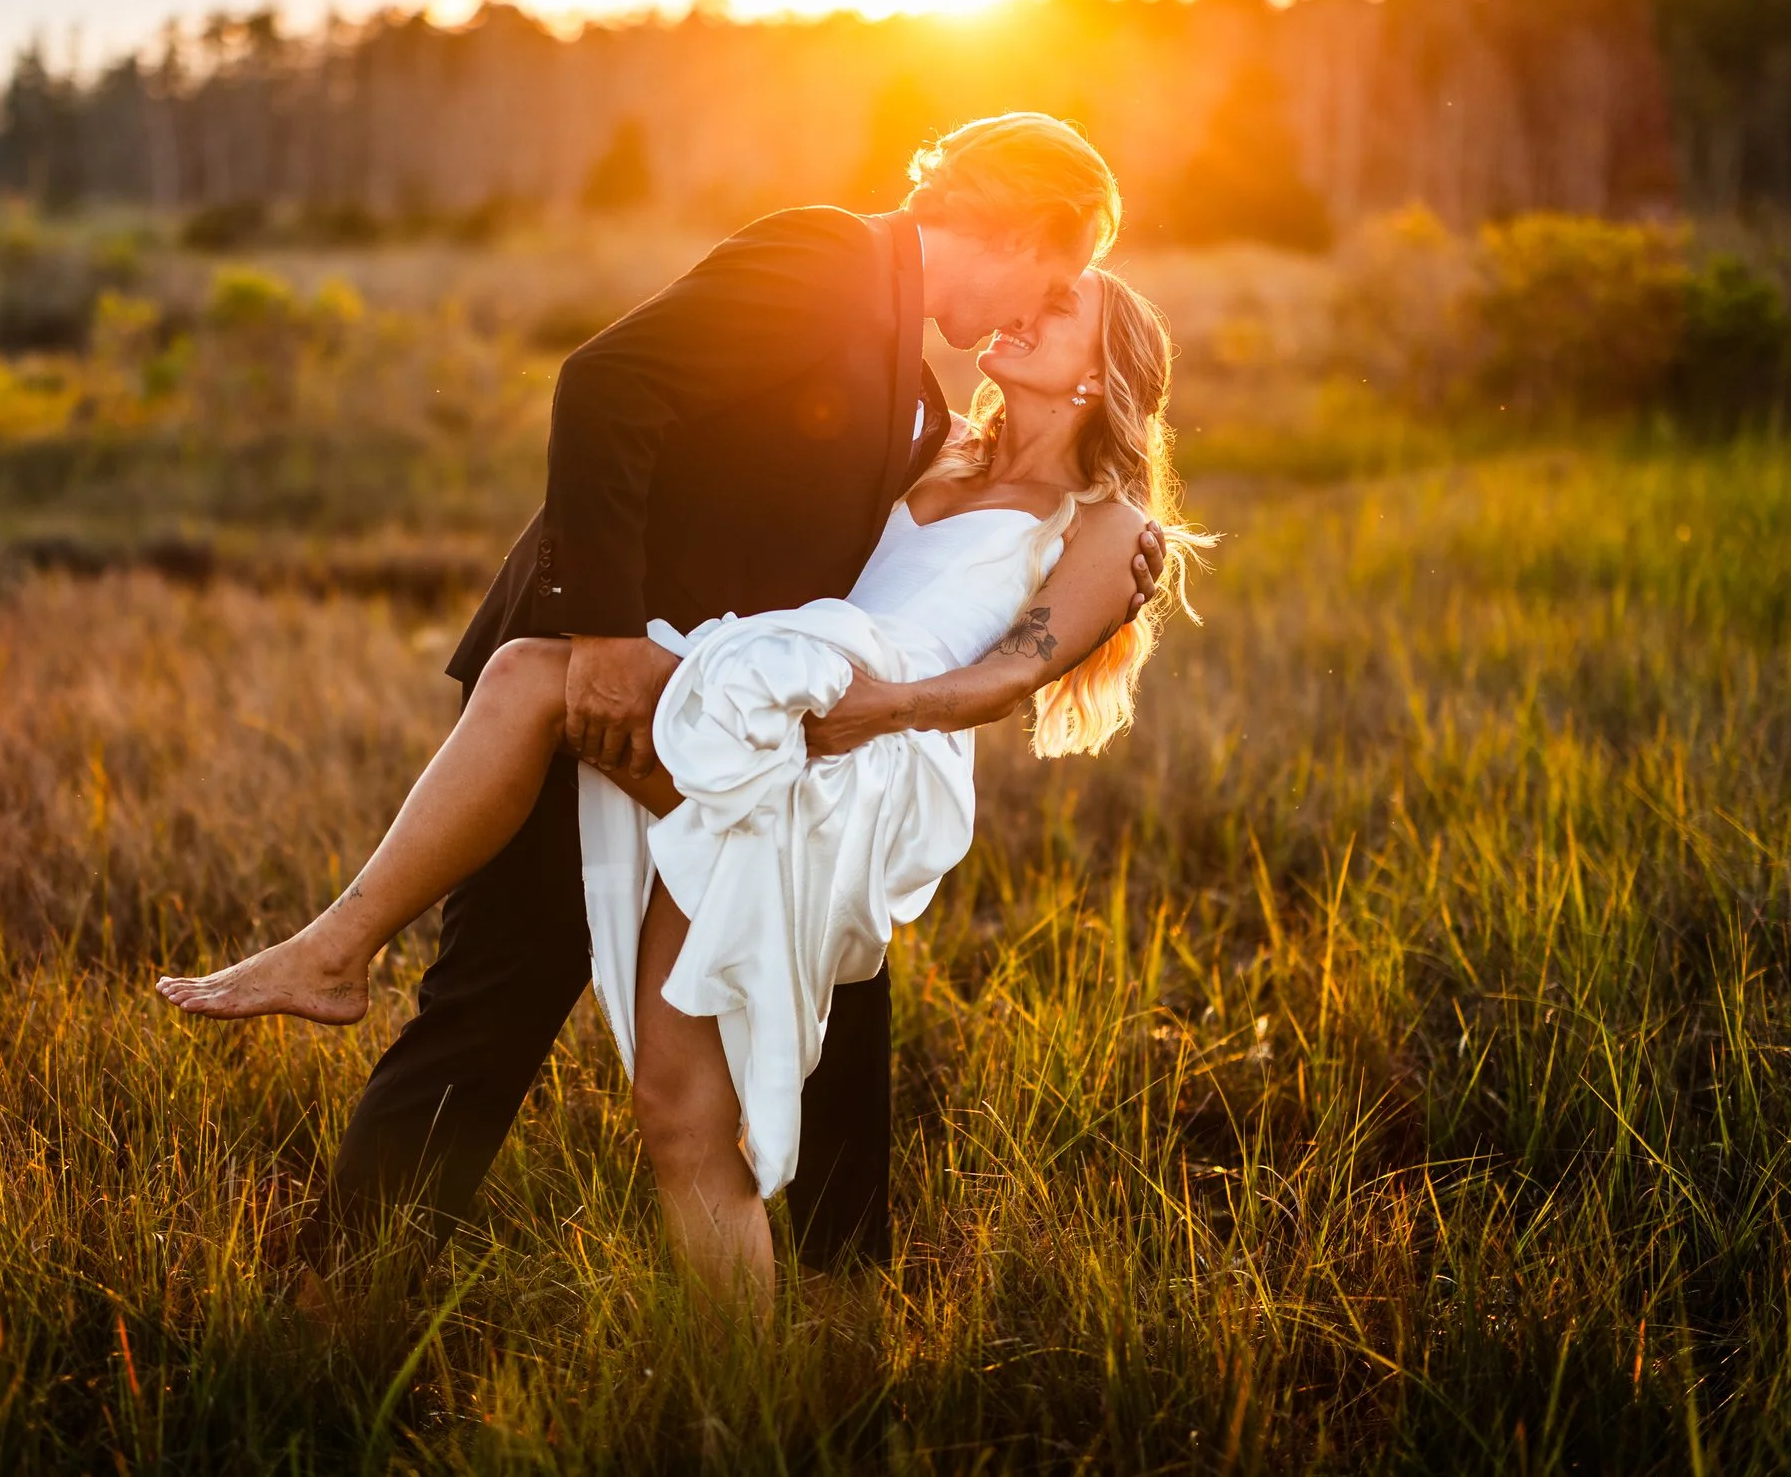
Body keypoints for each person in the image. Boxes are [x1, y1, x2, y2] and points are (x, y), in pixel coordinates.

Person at [159, 113, 1171, 1282]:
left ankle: (838, 1301)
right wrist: (598, 635)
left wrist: (1097, 576)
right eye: (1043, 279)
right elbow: (605, 385)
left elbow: (981, 608)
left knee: (749, 1053)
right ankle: (347, 1288)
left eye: (1058, 307)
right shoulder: (833, 261)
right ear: (1015, 227)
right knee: (521, 1015)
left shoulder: (927, 407)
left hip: (771, 719)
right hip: (653, 684)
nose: (1018, 316)